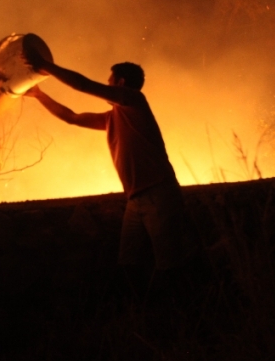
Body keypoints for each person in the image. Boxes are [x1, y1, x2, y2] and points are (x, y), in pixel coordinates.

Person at [21, 34, 200, 287]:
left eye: (110, 81)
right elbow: (71, 117)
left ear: (121, 83)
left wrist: (44, 66)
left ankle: (176, 313)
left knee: (169, 266)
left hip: (159, 195)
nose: (106, 84)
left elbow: (83, 85)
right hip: (136, 200)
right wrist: (40, 95)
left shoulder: (135, 101)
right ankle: (141, 311)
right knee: (127, 263)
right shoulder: (112, 118)